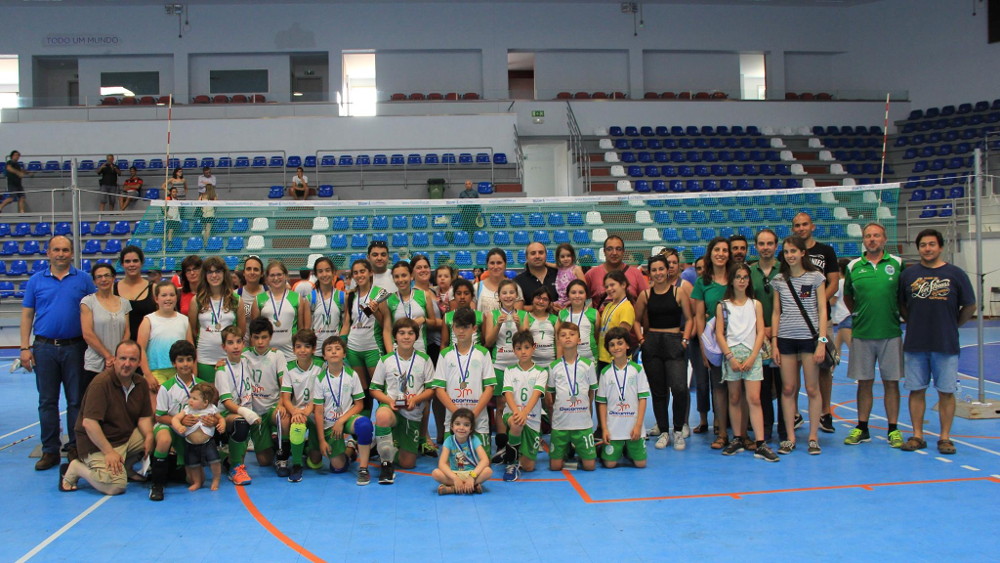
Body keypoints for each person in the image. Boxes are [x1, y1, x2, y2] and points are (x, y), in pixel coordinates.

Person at [21, 235, 97, 470]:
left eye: (65, 250)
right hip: (44, 348)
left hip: (75, 348)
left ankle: (75, 447)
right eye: (56, 250)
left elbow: (96, 308)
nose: (61, 254)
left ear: (72, 253)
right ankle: (50, 450)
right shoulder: (36, 281)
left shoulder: (83, 280)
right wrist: (25, 347)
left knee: (76, 401)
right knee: (47, 402)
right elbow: (27, 315)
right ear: (48, 253)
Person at [899, 229, 975, 455]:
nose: (928, 248)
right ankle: (917, 435)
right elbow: (902, 305)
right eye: (923, 245)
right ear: (918, 248)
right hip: (916, 343)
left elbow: (969, 305)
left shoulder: (956, 274)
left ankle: (944, 438)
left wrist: (952, 325)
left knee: (946, 392)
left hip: (945, 343)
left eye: (932, 244)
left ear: (940, 247)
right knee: (916, 390)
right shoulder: (908, 275)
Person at [58, 341, 153, 495]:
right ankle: (76, 467)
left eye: (132, 359)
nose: (127, 364)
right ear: (114, 360)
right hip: (97, 443)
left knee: (157, 434)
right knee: (116, 486)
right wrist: (109, 452)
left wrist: (149, 436)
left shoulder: (140, 383)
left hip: (123, 437)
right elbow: (89, 423)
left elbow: (144, 417)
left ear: (139, 362)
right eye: (122, 358)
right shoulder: (101, 384)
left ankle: (126, 468)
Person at [842, 223, 905, 448]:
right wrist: (861, 314)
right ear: (864, 240)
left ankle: (893, 429)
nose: (872, 239)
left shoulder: (897, 264)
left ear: (884, 239)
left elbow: (903, 295)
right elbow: (849, 297)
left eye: (876, 235)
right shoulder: (853, 266)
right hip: (862, 333)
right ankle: (862, 427)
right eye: (868, 236)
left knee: (891, 383)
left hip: (890, 333)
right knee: (864, 383)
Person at [772, 235, 829, 456]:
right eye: (786, 252)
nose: (790, 255)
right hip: (786, 338)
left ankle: (813, 437)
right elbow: (777, 312)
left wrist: (822, 342)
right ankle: (790, 437)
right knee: (787, 389)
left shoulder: (816, 277)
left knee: (812, 388)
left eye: (794, 251)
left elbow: (822, 310)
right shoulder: (779, 280)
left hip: (809, 339)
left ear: (802, 253)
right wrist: (775, 342)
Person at [715, 264, 777, 461]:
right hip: (732, 355)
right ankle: (738, 438)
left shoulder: (755, 304)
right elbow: (719, 334)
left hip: (752, 356)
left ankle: (760, 443)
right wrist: (730, 357)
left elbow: (760, 332)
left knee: (754, 399)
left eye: (745, 277)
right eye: (738, 277)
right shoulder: (723, 305)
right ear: (731, 280)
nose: (742, 280)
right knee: (734, 397)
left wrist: (752, 357)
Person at [633, 253, 692, 450]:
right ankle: (664, 431)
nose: (658, 273)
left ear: (668, 270)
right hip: (653, 343)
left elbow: (690, 319)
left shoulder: (679, 292)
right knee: (658, 392)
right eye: (654, 270)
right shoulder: (645, 295)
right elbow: (636, 320)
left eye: (661, 269)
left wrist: (685, 339)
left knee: (680, 388)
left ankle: (678, 430)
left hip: (674, 341)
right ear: (649, 273)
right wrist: (642, 339)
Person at [370, 319, 436, 484]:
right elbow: (374, 389)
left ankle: (384, 446)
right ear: (395, 337)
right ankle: (386, 464)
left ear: (416, 337)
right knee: (382, 415)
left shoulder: (424, 359)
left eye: (410, 333)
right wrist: (389, 401)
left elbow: (431, 389)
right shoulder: (386, 360)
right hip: (392, 408)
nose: (406, 337)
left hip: (412, 414)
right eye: (402, 333)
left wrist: (416, 399)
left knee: (408, 464)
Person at [791, 212, 839, 434]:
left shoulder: (826, 251)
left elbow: (834, 283)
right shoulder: (790, 252)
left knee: (823, 367)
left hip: (821, 319)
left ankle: (825, 412)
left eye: (804, 224)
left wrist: (817, 304)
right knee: (795, 367)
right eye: (797, 225)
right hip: (795, 322)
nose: (801, 228)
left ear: (813, 226)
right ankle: (795, 414)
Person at [149, 339, 214, 501]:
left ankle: (170, 466)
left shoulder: (203, 387)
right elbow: (159, 416)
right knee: (164, 439)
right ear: (173, 363)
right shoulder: (166, 387)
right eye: (180, 360)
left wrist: (211, 421)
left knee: (194, 480)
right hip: (168, 425)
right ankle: (157, 484)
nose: (185, 364)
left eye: (188, 359)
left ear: (194, 360)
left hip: (191, 430)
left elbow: (210, 411)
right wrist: (178, 422)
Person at [313, 335, 375, 485]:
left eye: (337, 349)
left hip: (346, 420)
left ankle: (363, 469)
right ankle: (350, 449)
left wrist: (341, 420)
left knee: (365, 425)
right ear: (324, 356)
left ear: (344, 354)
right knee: (338, 468)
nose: (334, 352)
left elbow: (359, 404)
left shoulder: (352, 375)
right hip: (329, 425)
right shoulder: (319, 379)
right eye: (329, 349)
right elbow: (319, 412)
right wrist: (322, 440)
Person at [433, 307, 496, 453]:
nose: (461, 331)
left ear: (474, 328)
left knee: (482, 463)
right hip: (453, 421)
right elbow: (439, 389)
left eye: (466, 327)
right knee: (455, 465)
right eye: (458, 327)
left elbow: (489, 388)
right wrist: (458, 416)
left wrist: (472, 415)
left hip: (478, 420)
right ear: (452, 328)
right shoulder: (444, 354)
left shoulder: (483, 353)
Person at [691, 236, 731, 449]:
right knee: (719, 388)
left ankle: (742, 434)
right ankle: (722, 433)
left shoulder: (736, 278)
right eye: (717, 250)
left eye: (725, 250)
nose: (721, 254)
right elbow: (698, 316)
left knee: (738, 390)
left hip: (738, 341)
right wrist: (705, 348)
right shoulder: (702, 282)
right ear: (710, 253)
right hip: (715, 345)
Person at [749, 229, 788, 442]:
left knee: (784, 386)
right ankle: (765, 428)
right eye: (761, 244)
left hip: (783, 336)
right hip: (758, 337)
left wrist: (776, 329)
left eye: (770, 243)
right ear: (756, 246)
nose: (765, 247)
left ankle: (784, 429)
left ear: (776, 246)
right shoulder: (749, 272)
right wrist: (761, 329)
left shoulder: (785, 271)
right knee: (762, 387)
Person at [484, 278, 529, 463]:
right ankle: (502, 445)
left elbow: (526, 341)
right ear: (499, 296)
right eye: (504, 293)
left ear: (516, 295)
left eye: (511, 292)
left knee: (517, 405)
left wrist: (519, 325)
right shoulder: (491, 315)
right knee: (501, 405)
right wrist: (498, 324)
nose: (508, 296)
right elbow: (488, 342)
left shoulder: (523, 315)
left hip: (518, 366)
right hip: (500, 365)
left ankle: (516, 442)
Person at [547, 322, 598, 471]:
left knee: (590, 467)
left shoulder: (588, 365)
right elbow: (552, 393)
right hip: (561, 424)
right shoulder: (553, 366)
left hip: (582, 423)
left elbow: (591, 391)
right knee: (555, 467)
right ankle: (568, 450)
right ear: (558, 341)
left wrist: (587, 411)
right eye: (563, 335)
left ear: (579, 339)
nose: (567, 337)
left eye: (571, 334)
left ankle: (587, 450)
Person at [597, 326, 649, 469]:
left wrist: (638, 426)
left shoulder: (637, 370)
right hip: (614, 428)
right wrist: (604, 429)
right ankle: (602, 449)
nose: (616, 347)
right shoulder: (605, 373)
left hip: (633, 428)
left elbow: (643, 399)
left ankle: (627, 450)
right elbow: (602, 403)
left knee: (641, 464)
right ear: (608, 348)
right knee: (610, 464)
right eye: (612, 345)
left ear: (627, 345)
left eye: (620, 343)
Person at [243, 318, 290, 473]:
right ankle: (273, 439)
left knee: (282, 417)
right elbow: (230, 363)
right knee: (264, 461)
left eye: (264, 337)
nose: (260, 342)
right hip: (255, 413)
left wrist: (281, 404)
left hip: (272, 407)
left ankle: (283, 457)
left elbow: (285, 384)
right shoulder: (244, 356)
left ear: (270, 337)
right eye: (256, 337)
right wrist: (222, 362)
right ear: (251, 338)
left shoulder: (278, 355)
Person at [499, 330, 547, 481]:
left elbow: (536, 394)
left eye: (526, 347)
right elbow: (507, 394)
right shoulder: (509, 370)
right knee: (516, 423)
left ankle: (509, 450)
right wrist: (517, 412)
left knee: (528, 467)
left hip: (531, 419)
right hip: (512, 414)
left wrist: (524, 412)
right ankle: (511, 464)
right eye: (519, 348)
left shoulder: (541, 372)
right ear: (514, 351)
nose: (523, 351)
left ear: (534, 347)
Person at [217, 326, 260, 486]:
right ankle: (235, 469)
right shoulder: (222, 369)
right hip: (226, 415)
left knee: (263, 459)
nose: (235, 346)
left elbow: (262, 351)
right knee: (241, 422)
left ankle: (225, 456)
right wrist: (247, 413)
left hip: (246, 411)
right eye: (230, 343)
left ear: (243, 344)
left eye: (238, 342)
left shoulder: (247, 361)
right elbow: (227, 403)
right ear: (224, 347)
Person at [280, 329, 324, 483]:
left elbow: (321, 395)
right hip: (298, 411)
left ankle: (304, 446)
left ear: (313, 348)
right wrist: (295, 411)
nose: (302, 350)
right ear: (293, 349)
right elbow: (285, 398)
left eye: (307, 346)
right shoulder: (289, 367)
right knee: (296, 424)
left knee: (315, 463)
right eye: (298, 346)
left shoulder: (321, 365)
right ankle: (297, 464)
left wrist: (307, 412)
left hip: (317, 411)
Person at [345, 258, 392, 400]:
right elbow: (347, 322)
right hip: (353, 348)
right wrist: (341, 342)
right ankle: (364, 421)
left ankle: (384, 418)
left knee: (378, 387)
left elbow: (385, 323)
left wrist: (375, 311)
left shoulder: (380, 293)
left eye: (362, 271)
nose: (359, 275)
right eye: (356, 273)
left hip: (372, 347)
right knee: (361, 390)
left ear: (370, 272)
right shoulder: (351, 295)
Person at [189, 256, 241, 383]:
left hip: (228, 358)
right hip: (204, 358)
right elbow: (192, 330)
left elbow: (241, 330)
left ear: (224, 274)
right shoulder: (197, 300)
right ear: (205, 275)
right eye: (210, 272)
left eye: (217, 271)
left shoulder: (236, 300)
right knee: (207, 397)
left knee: (229, 397)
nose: (214, 275)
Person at [81, 263, 132, 392]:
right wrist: (108, 357)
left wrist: (118, 357)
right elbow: (88, 334)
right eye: (99, 277)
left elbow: (127, 332)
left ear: (113, 278)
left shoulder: (124, 303)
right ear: (94, 281)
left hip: (120, 364)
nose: (103, 279)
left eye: (107, 275)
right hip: (95, 364)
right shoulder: (88, 302)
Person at [137, 281, 193, 390]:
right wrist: (148, 375)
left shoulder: (184, 320)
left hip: (180, 371)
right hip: (155, 372)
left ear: (176, 297)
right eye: (164, 295)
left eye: (172, 295)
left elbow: (191, 349)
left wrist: (193, 373)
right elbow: (140, 350)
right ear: (156, 299)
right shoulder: (148, 320)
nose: (168, 298)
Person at [171, 382, 224, 492]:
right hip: (191, 444)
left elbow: (221, 418)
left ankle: (216, 479)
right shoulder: (187, 409)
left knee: (215, 462)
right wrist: (179, 426)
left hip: (208, 443)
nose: (190, 401)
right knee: (193, 465)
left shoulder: (211, 409)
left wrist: (222, 424)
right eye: (190, 397)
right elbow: (174, 419)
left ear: (205, 402)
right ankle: (197, 482)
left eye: (194, 399)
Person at [256, 259, 310, 362]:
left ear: (285, 275)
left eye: (279, 274)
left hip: (291, 355)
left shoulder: (297, 298)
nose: (276, 278)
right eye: (272, 275)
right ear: (267, 278)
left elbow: (301, 328)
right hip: (266, 355)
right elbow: (255, 331)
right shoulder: (259, 299)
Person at [432, 408, 491, 495]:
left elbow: (485, 460)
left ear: (471, 428)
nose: (461, 428)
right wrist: (455, 478)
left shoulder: (474, 440)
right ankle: (471, 487)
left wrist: (472, 477)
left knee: (488, 471)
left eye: (466, 425)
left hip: (471, 473)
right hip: (454, 473)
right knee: (436, 473)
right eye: (457, 424)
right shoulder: (449, 440)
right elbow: (442, 464)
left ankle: (453, 489)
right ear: (452, 426)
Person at [386, 260, 440, 354]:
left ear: (411, 276)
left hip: (420, 349)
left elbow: (433, 323)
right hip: (398, 350)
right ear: (393, 279)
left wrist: (424, 320)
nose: (400, 280)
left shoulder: (424, 295)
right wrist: (390, 353)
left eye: (404, 275)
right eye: (396, 277)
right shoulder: (389, 300)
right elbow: (387, 329)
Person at [115, 246, 157, 359]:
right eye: (127, 261)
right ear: (122, 264)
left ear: (142, 263)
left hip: (149, 348)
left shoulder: (153, 289)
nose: (131, 264)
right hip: (121, 350)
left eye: (135, 261)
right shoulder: (112, 290)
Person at [584, 235, 648, 308]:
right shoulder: (592, 274)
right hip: (601, 318)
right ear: (604, 252)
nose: (614, 253)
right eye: (609, 249)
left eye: (618, 249)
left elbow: (646, 300)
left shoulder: (636, 273)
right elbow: (578, 297)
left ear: (623, 251)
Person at [596, 270, 635, 376]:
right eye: (606, 286)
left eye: (612, 285)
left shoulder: (626, 307)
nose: (609, 289)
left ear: (623, 284)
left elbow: (622, 336)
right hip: (603, 356)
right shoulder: (608, 306)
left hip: (617, 358)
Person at [309, 257, 349, 356]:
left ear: (334, 272)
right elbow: (307, 327)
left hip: (335, 351)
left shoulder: (342, 296)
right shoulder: (310, 298)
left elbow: (345, 323)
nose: (324, 274)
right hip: (316, 351)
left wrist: (340, 343)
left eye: (327, 270)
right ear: (316, 274)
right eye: (320, 271)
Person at [556, 279, 600, 362]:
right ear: (568, 295)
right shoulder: (562, 314)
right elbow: (559, 341)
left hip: (591, 359)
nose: (577, 296)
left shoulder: (594, 313)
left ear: (586, 295)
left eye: (581, 292)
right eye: (573, 292)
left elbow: (596, 336)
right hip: (568, 359)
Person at [477, 248, 524, 312]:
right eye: (492, 263)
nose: (495, 267)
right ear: (487, 265)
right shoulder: (477, 287)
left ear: (505, 264)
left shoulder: (515, 287)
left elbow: (517, 317)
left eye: (499, 263)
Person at [515, 242, 557, 312]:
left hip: (558, 321)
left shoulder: (559, 275)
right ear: (526, 257)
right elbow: (516, 309)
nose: (537, 256)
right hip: (530, 322)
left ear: (546, 255)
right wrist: (544, 306)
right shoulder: (518, 281)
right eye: (533, 253)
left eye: (541, 252)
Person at [522, 287, 558, 366]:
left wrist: (558, 364)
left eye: (545, 299)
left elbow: (559, 343)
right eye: (538, 298)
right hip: (532, 364)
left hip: (551, 362)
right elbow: (524, 342)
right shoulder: (526, 318)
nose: (541, 301)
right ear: (532, 300)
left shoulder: (555, 319)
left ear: (549, 303)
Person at [440, 279, 484, 346]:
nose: (462, 297)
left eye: (466, 293)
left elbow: (484, 342)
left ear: (472, 296)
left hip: (476, 355)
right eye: (458, 293)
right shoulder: (447, 317)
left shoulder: (480, 316)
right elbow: (444, 343)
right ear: (454, 296)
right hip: (453, 355)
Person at [237, 255, 265, 341]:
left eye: (256, 269)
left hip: (265, 344)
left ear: (261, 273)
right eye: (248, 269)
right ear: (244, 273)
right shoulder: (235, 295)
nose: (252, 272)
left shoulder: (270, 293)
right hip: (242, 346)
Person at [831, 258, 853, 366]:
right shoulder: (850, 282)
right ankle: (831, 371)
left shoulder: (840, 283)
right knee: (836, 347)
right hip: (846, 318)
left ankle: (860, 374)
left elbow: (833, 301)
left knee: (853, 349)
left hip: (845, 318)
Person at [554, 243, 586, 308]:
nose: (565, 259)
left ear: (572, 256)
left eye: (568, 256)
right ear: (558, 258)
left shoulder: (576, 269)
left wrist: (571, 301)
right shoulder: (559, 268)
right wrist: (545, 263)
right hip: (560, 302)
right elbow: (551, 265)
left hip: (574, 302)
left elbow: (584, 286)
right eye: (562, 257)